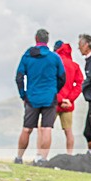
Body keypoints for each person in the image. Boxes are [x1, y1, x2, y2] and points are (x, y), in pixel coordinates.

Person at [14, 29, 66, 165]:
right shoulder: (54, 57)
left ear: (36, 38)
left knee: (27, 129)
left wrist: (23, 94)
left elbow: (19, 77)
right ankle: (43, 159)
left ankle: (19, 157)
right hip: (49, 97)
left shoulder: (27, 56)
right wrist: (54, 90)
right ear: (47, 41)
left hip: (32, 97)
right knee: (47, 128)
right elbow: (62, 77)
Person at [54, 40, 84, 154]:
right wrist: (69, 99)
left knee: (44, 129)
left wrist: (59, 98)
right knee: (68, 131)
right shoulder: (74, 66)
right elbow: (80, 84)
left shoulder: (55, 63)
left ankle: (42, 156)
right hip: (68, 104)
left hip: (54, 102)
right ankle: (69, 155)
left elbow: (50, 83)